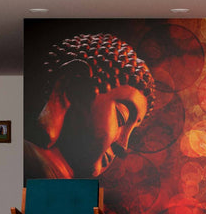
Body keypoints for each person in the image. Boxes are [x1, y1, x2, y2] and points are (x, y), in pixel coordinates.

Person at [24, 33, 156, 179]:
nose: (123, 146)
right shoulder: (27, 163)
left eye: (132, 132)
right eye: (121, 117)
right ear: (73, 90)